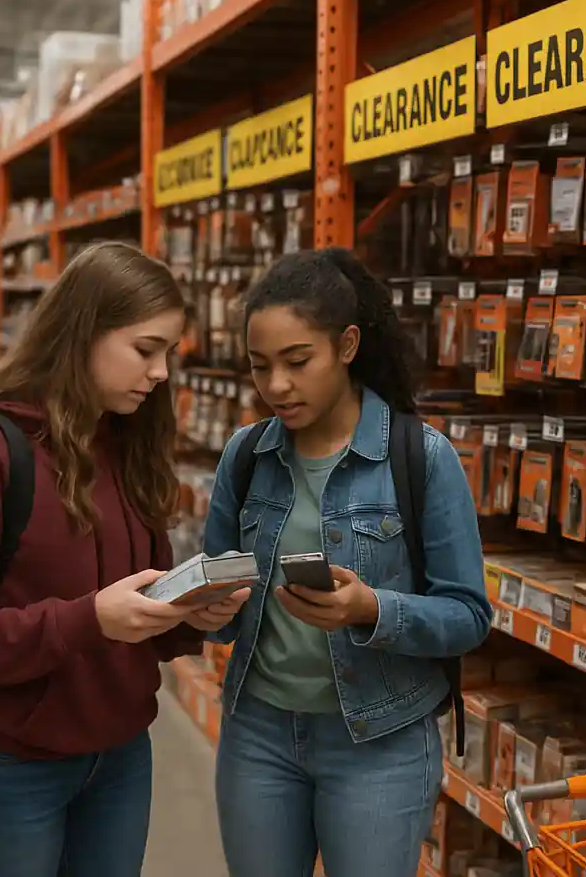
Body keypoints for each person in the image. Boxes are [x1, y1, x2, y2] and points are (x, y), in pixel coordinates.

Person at [0, 241, 251, 877]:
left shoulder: (127, 446)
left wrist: (188, 614)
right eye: (145, 350)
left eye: (169, 353)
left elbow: (137, 614)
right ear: (83, 332)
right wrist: (87, 620)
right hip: (8, 766)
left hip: (120, 759)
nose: (161, 374)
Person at [205, 248, 492, 877]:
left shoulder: (422, 458)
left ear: (347, 345)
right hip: (258, 734)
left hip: (380, 742)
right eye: (260, 366)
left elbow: (469, 614)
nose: (276, 385)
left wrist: (371, 608)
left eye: (297, 361)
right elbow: (220, 602)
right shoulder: (247, 456)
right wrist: (202, 605)